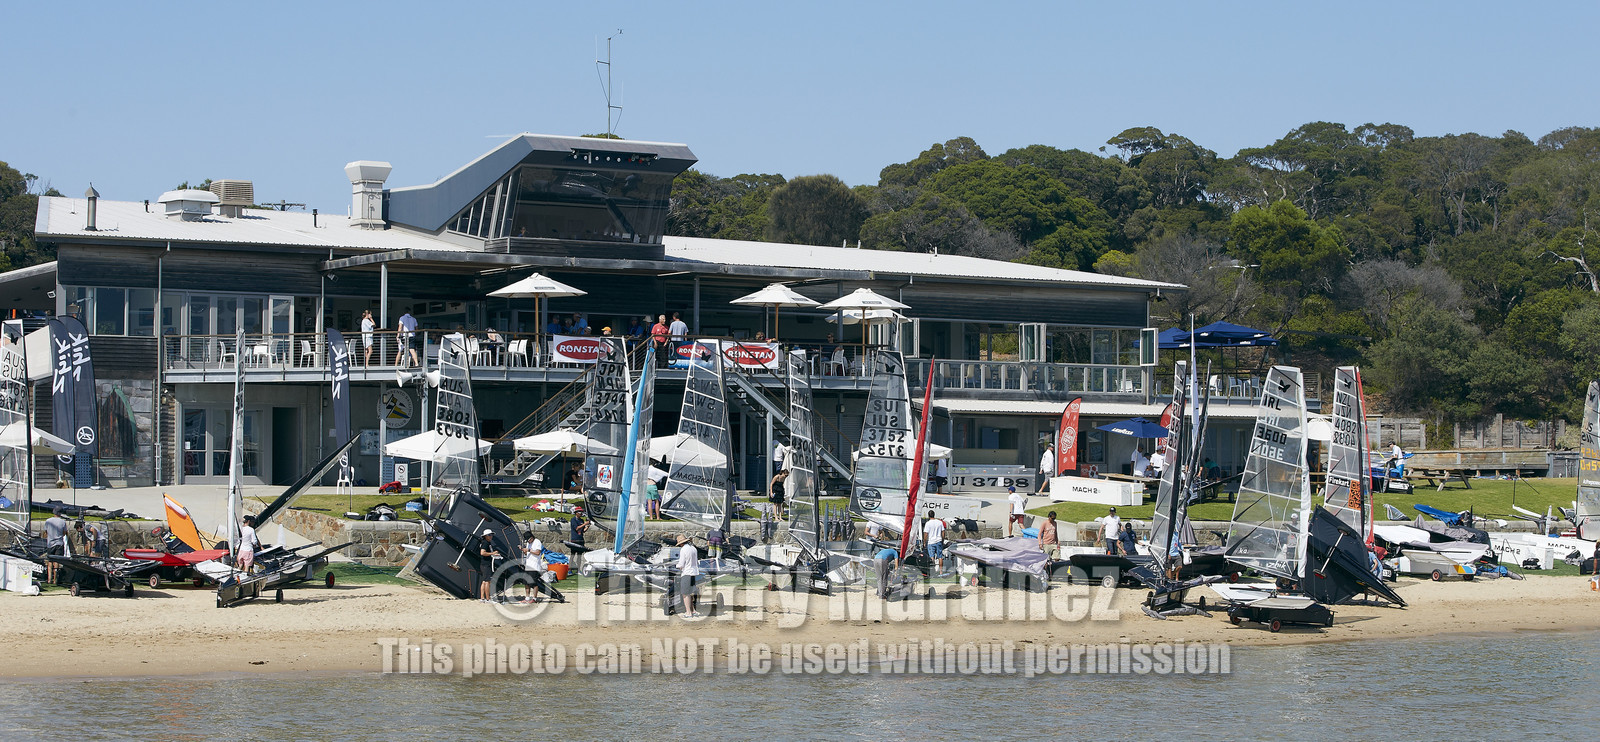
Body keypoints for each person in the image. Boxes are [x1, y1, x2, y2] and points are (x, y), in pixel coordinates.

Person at [674, 535, 701, 618]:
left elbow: (681, 564)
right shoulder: (693, 548)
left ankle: (688, 612)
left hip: (687, 572)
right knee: (690, 593)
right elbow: (697, 562)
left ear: (681, 544)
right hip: (694, 572)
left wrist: (676, 565)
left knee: (685, 594)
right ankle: (693, 611)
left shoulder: (683, 549)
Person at [43, 507, 68, 583]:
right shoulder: (63, 522)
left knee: (50, 561)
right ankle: (55, 579)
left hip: (50, 543)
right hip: (59, 543)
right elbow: (64, 533)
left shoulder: (48, 521)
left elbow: (45, 532)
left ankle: (49, 579)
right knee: (56, 561)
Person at [520, 537, 547, 602]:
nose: (528, 542)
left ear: (531, 538)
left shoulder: (537, 542)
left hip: (534, 566)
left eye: (529, 540)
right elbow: (527, 553)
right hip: (528, 565)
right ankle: (527, 598)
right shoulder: (528, 543)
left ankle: (534, 598)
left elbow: (538, 552)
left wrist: (528, 550)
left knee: (533, 583)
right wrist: (523, 550)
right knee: (526, 582)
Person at [478, 529, 500, 602]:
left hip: (484, 564)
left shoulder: (486, 542)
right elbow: (482, 553)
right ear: (485, 536)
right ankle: (488, 598)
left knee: (484, 581)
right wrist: (492, 553)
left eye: (492, 535)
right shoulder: (485, 543)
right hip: (486, 564)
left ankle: (482, 598)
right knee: (487, 581)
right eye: (489, 535)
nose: (491, 536)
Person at [923, 509, 947, 575]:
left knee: (931, 557)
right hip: (939, 540)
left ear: (928, 516)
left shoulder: (928, 523)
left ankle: (932, 571)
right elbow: (943, 532)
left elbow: (925, 533)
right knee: (940, 557)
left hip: (931, 542)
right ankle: (941, 571)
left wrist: (924, 542)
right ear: (934, 515)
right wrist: (942, 540)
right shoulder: (939, 522)